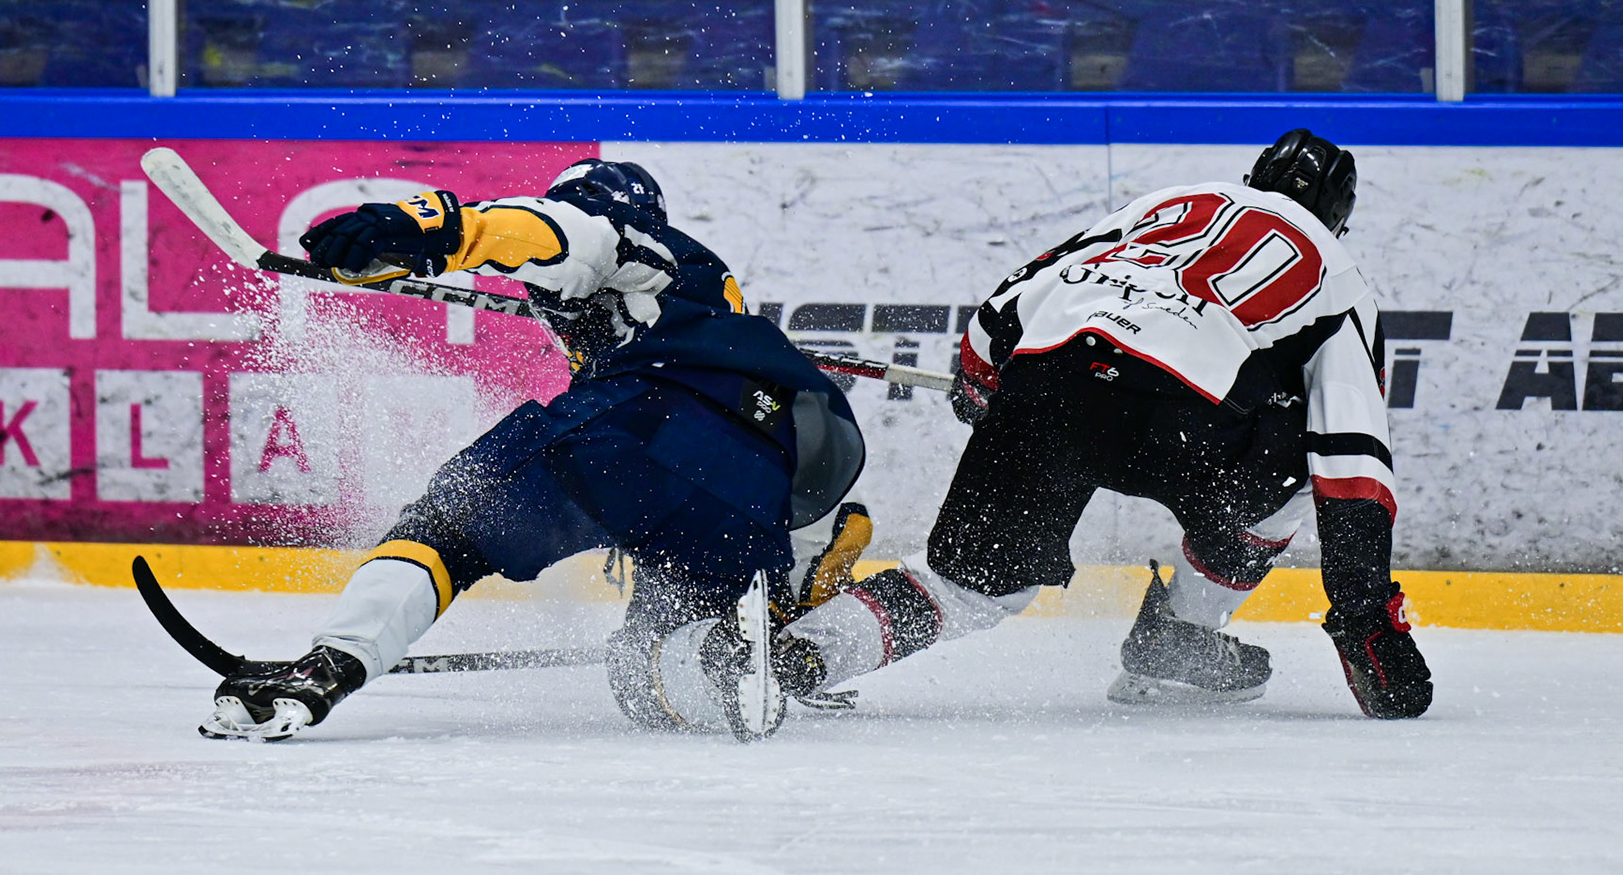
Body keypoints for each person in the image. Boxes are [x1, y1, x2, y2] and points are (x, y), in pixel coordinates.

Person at [752, 130, 1432, 721]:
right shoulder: (1338, 274)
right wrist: (1365, 617)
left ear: (1253, 177)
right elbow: (1351, 463)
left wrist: (984, 382)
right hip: (1184, 425)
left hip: (1050, 383)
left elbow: (1007, 305)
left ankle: (804, 653)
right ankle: (1180, 634)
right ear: (1338, 221)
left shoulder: (1172, 203)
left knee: (971, 582)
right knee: (1300, 471)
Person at [201, 159, 869, 741]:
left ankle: (332, 664)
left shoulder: (620, 232)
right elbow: (815, 447)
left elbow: (558, 233)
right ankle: (725, 653)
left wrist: (426, 231)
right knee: (647, 671)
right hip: (755, 488)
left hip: (645, 428)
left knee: (449, 525)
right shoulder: (722, 311)